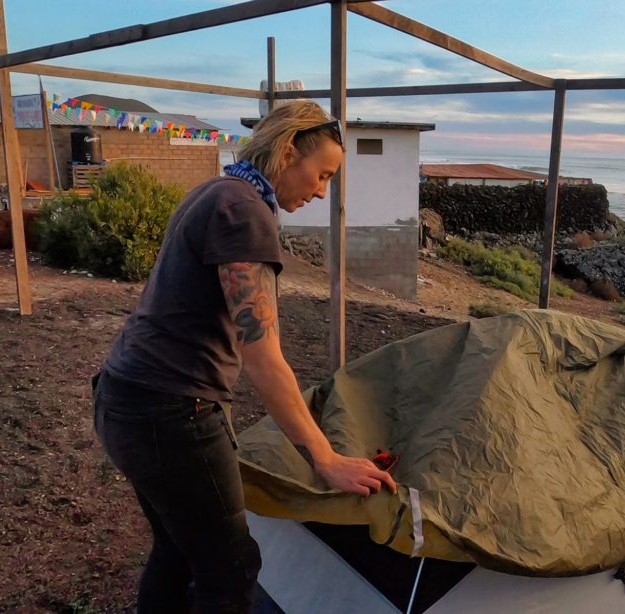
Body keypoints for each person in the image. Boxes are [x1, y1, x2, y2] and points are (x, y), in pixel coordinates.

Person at [91, 99, 396, 613]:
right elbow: (264, 357)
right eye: (321, 175)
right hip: (170, 412)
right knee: (231, 570)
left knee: (179, 550)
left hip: (124, 396)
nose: (321, 191)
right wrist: (325, 458)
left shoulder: (216, 190)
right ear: (286, 151)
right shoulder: (245, 213)